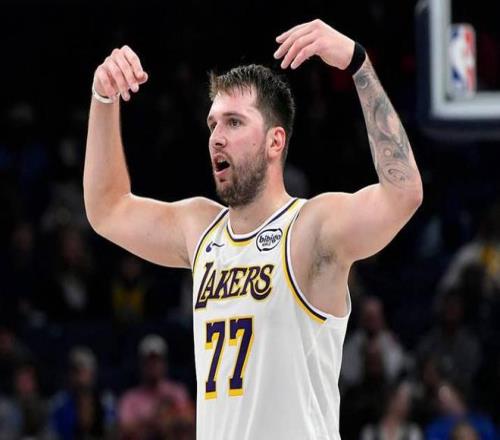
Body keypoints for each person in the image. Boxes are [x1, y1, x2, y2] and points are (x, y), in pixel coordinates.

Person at [84, 18, 423, 440]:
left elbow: (403, 194)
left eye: (234, 122)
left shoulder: (308, 229)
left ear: (275, 141)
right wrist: (103, 97)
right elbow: (107, 210)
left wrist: (358, 65)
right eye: (213, 124)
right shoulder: (200, 229)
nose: (216, 137)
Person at [118, 334, 193, 439]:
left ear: (165, 363)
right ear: (141, 364)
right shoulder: (130, 398)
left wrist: (169, 418)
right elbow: (125, 428)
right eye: (149, 362)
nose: (153, 366)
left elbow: (189, 420)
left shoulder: (177, 391)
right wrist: (155, 418)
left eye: (157, 361)